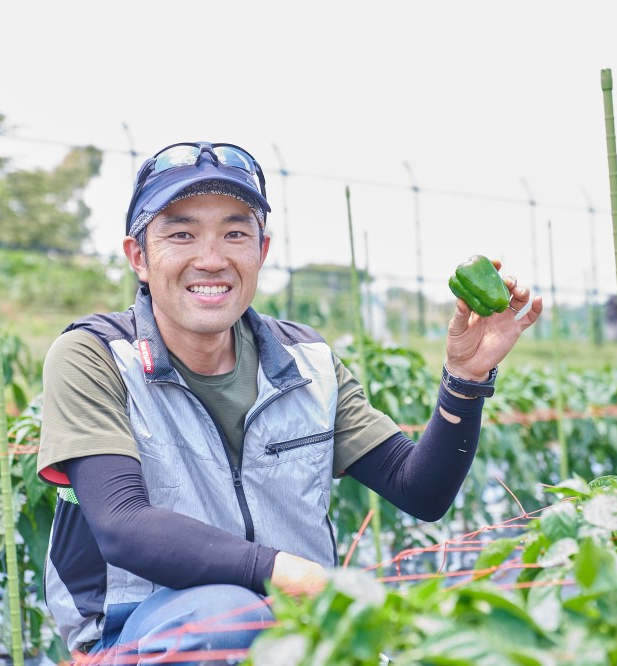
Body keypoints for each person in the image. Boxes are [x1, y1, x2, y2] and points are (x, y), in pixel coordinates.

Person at [36, 141, 542, 664]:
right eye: (182, 234)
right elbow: (123, 524)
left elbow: (421, 490)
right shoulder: (94, 357)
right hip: (142, 637)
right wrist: (284, 572)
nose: (211, 259)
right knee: (228, 614)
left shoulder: (306, 362)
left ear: (262, 252)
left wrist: (465, 377)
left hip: (300, 636)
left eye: (235, 233)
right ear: (139, 257)